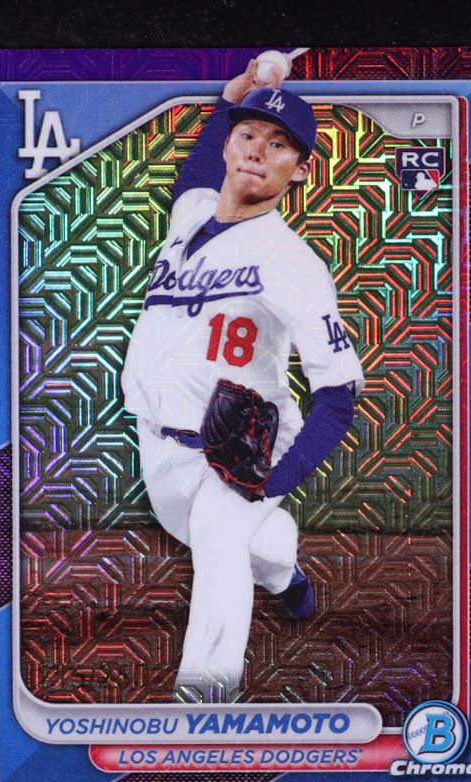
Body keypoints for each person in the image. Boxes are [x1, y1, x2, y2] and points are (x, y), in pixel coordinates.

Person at [121, 58, 364, 703]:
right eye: (248, 135)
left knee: (219, 553)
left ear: (300, 169)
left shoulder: (293, 264)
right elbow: (199, 170)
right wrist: (232, 99)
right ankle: (286, 576)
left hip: (244, 443)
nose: (258, 151)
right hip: (160, 441)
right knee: (219, 536)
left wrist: (278, 477)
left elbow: (338, 395)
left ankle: (204, 701)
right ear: (231, 144)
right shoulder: (192, 215)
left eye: (279, 144)